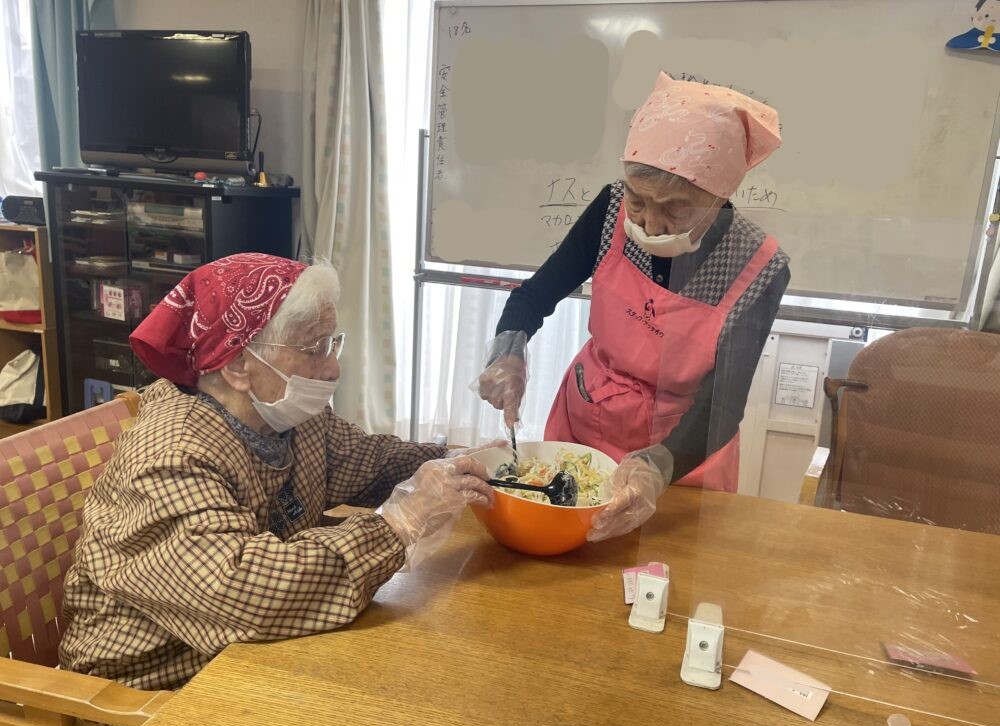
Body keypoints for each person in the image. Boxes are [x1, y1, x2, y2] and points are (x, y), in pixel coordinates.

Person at [59, 253, 494, 690]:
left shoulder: (286, 419)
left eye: (332, 344)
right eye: (313, 349)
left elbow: (365, 460)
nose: (333, 367)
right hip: (151, 686)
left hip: (248, 655)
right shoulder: (170, 455)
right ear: (236, 365)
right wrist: (399, 524)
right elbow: (244, 590)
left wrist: (456, 458)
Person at [478, 73, 789, 542]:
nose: (649, 222)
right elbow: (534, 296)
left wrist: (657, 466)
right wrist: (509, 352)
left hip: (682, 451)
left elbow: (722, 403)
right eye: (638, 199)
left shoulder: (758, 266)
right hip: (587, 417)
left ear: (720, 197)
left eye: (677, 209)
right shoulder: (610, 211)